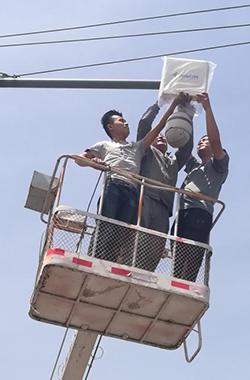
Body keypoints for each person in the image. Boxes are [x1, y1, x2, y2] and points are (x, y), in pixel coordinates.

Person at [77, 100, 182, 263]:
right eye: (121, 121)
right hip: (114, 185)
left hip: (133, 191)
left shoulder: (137, 147)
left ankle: (111, 262)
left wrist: (172, 106)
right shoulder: (104, 145)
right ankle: (96, 260)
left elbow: (158, 127)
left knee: (124, 232)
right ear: (110, 127)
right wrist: (95, 163)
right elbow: (80, 159)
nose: (126, 123)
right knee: (107, 225)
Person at [135, 94, 193, 272]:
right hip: (144, 198)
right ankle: (128, 267)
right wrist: (160, 104)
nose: (160, 138)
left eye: (163, 137)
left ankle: (145, 275)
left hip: (163, 208)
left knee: (156, 247)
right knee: (137, 238)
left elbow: (187, 147)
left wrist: (186, 114)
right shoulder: (145, 152)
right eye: (157, 136)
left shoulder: (173, 162)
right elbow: (144, 124)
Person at [174, 93, 228, 282]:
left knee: (191, 259)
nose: (201, 142)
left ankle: (187, 285)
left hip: (199, 213)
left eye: (204, 141)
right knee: (177, 261)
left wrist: (207, 109)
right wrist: (185, 113)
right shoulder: (194, 167)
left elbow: (215, 140)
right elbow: (184, 147)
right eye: (200, 141)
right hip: (183, 214)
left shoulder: (218, 166)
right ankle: (178, 284)